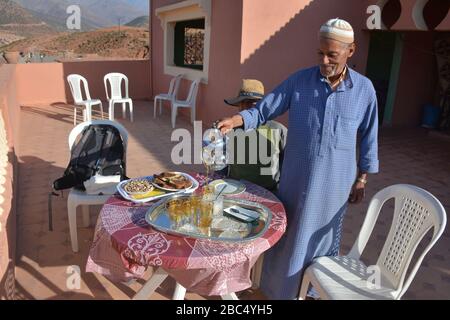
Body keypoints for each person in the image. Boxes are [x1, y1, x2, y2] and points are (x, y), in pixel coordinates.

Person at [217, 18, 379, 300]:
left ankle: (314, 292)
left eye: (333, 55)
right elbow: (265, 108)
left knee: (322, 241)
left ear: (350, 51)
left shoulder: (364, 90)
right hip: (296, 180)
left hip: (335, 186)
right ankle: (279, 291)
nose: (325, 60)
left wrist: (363, 177)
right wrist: (238, 119)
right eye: (321, 53)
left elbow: (369, 136)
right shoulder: (300, 81)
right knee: (289, 237)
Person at [222, 79, 287, 191]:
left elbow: (287, 162)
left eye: (254, 104)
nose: (248, 109)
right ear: (239, 106)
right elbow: (222, 161)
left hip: (268, 191)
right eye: (244, 103)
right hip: (235, 187)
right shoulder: (230, 129)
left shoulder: (278, 130)